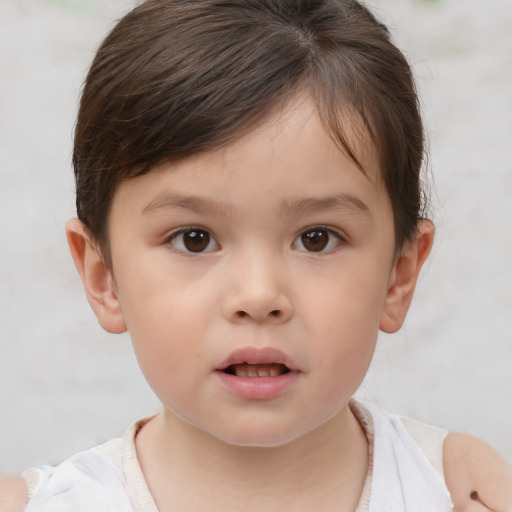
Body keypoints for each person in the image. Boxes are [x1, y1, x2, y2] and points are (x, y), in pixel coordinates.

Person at [1, 0, 511, 510]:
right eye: (194, 239)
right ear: (102, 275)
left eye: (317, 238)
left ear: (399, 275)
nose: (259, 296)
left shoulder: (461, 493)